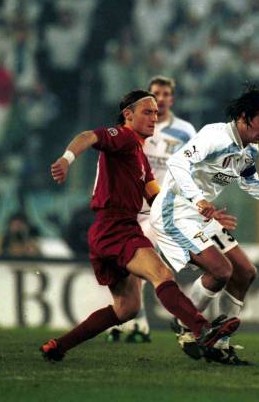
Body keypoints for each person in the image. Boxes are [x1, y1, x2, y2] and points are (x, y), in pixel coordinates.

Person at [40, 89, 239, 362]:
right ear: (128, 115)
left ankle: (58, 346)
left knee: (127, 308)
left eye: (156, 113)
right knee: (161, 273)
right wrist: (66, 159)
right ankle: (202, 329)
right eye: (147, 112)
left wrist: (201, 211)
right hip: (115, 228)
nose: (154, 118)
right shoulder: (122, 137)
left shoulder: (139, 155)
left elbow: (157, 198)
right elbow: (87, 136)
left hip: (110, 230)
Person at [150, 83, 259, 364]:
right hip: (174, 211)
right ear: (245, 117)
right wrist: (199, 200)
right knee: (221, 270)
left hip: (202, 214)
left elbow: (249, 180)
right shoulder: (215, 136)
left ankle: (220, 345)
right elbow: (177, 163)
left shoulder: (249, 150)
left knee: (245, 272)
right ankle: (186, 323)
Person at [106, 76, 197, 344]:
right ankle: (135, 320)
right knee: (127, 267)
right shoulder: (138, 126)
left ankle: (139, 322)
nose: (162, 98)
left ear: (172, 98)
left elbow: (193, 167)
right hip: (131, 205)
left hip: (161, 208)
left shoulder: (184, 131)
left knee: (142, 263)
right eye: (156, 93)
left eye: (166, 93)